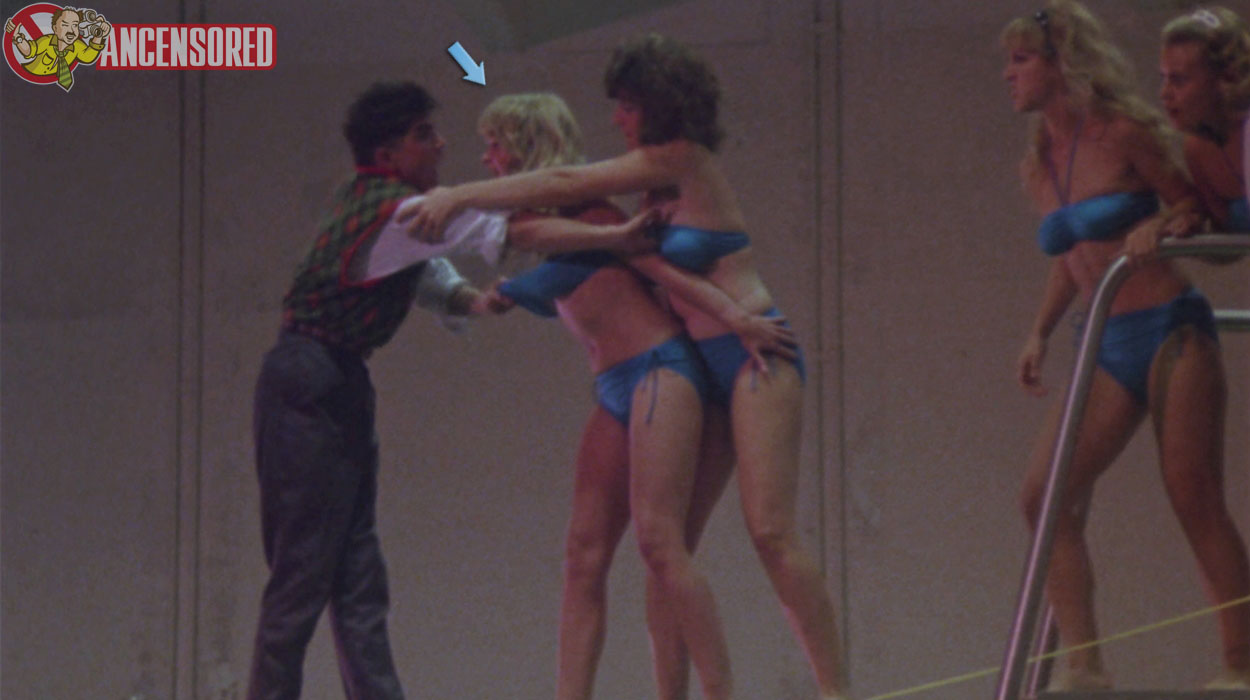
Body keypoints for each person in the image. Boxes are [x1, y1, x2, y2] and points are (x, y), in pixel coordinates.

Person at [404, 35, 850, 700]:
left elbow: (569, 184)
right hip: (698, 362)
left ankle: (833, 690)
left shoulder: (680, 160)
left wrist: (457, 196)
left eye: (628, 105)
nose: (616, 118)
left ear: (659, 104)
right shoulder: (643, 185)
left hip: (753, 351)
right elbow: (620, 253)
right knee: (663, 549)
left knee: (769, 531)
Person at [474, 92, 797, 700]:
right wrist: (509, 290)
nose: (488, 159)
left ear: (524, 147)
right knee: (583, 554)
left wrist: (737, 318)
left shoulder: (595, 215)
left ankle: (719, 689)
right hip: (613, 386)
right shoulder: (542, 226)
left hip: (659, 373)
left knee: (659, 542)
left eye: (496, 146)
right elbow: (547, 264)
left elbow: (659, 272)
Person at [1001, 2, 1250, 690]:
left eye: (1021, 60)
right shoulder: (1039, 164)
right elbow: (1071, 255)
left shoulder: (1123, 133)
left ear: (1060, 64)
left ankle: (1241, 661)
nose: (1009, 75)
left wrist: (1163, 225)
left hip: (1169, 326)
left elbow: (1191, 204)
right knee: (1043, 495)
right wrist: (1039, 330)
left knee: (1193, 492)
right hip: (1105, 340)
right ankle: (1085, 664)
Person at [246, 81, 513, 700]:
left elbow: (419, 265)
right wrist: (600, 227)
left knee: (359, 577)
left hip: (337, 378)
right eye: (425, 135)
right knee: (301, 576)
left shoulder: (379, 203)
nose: (440, 144)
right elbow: (486, 229)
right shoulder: (390, 209)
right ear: (388, 154)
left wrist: (470, 300)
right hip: (308, 378)